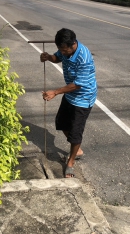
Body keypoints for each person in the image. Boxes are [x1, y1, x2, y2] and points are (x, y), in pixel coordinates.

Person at [40, 28, 97, 178]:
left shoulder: (84, 57)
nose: (62, 52)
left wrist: (55, 92)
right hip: (71, 94)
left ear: (73, 44)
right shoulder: (64, 50)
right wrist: (48, 57)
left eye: (64, 50)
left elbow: (77, 85)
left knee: (75, 133)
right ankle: (77, 150)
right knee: (62, 123)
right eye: (60, 49)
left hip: (83, 97)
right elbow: (57, 58)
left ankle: (71, 162)